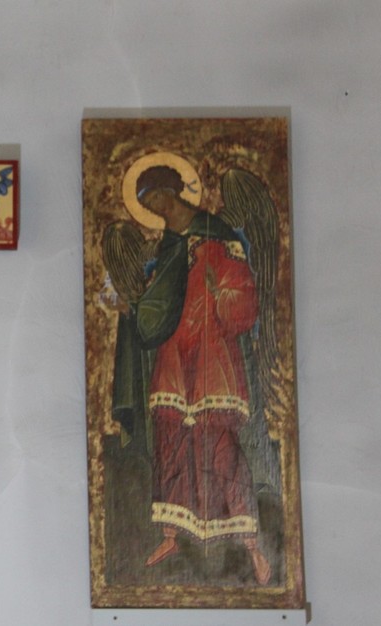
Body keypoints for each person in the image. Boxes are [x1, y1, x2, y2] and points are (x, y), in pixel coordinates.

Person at [126, 165, 270, 585]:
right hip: (174, 356)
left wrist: (220, 292)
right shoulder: (167, 245)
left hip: (211, 354)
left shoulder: (217, 234)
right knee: (171, 442)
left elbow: (243, 301)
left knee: (221, 446)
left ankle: (253, 547)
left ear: (171, 191)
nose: (154, 206)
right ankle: (171, 536)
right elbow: (159, 302)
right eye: (146, 202)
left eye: (155, 196)